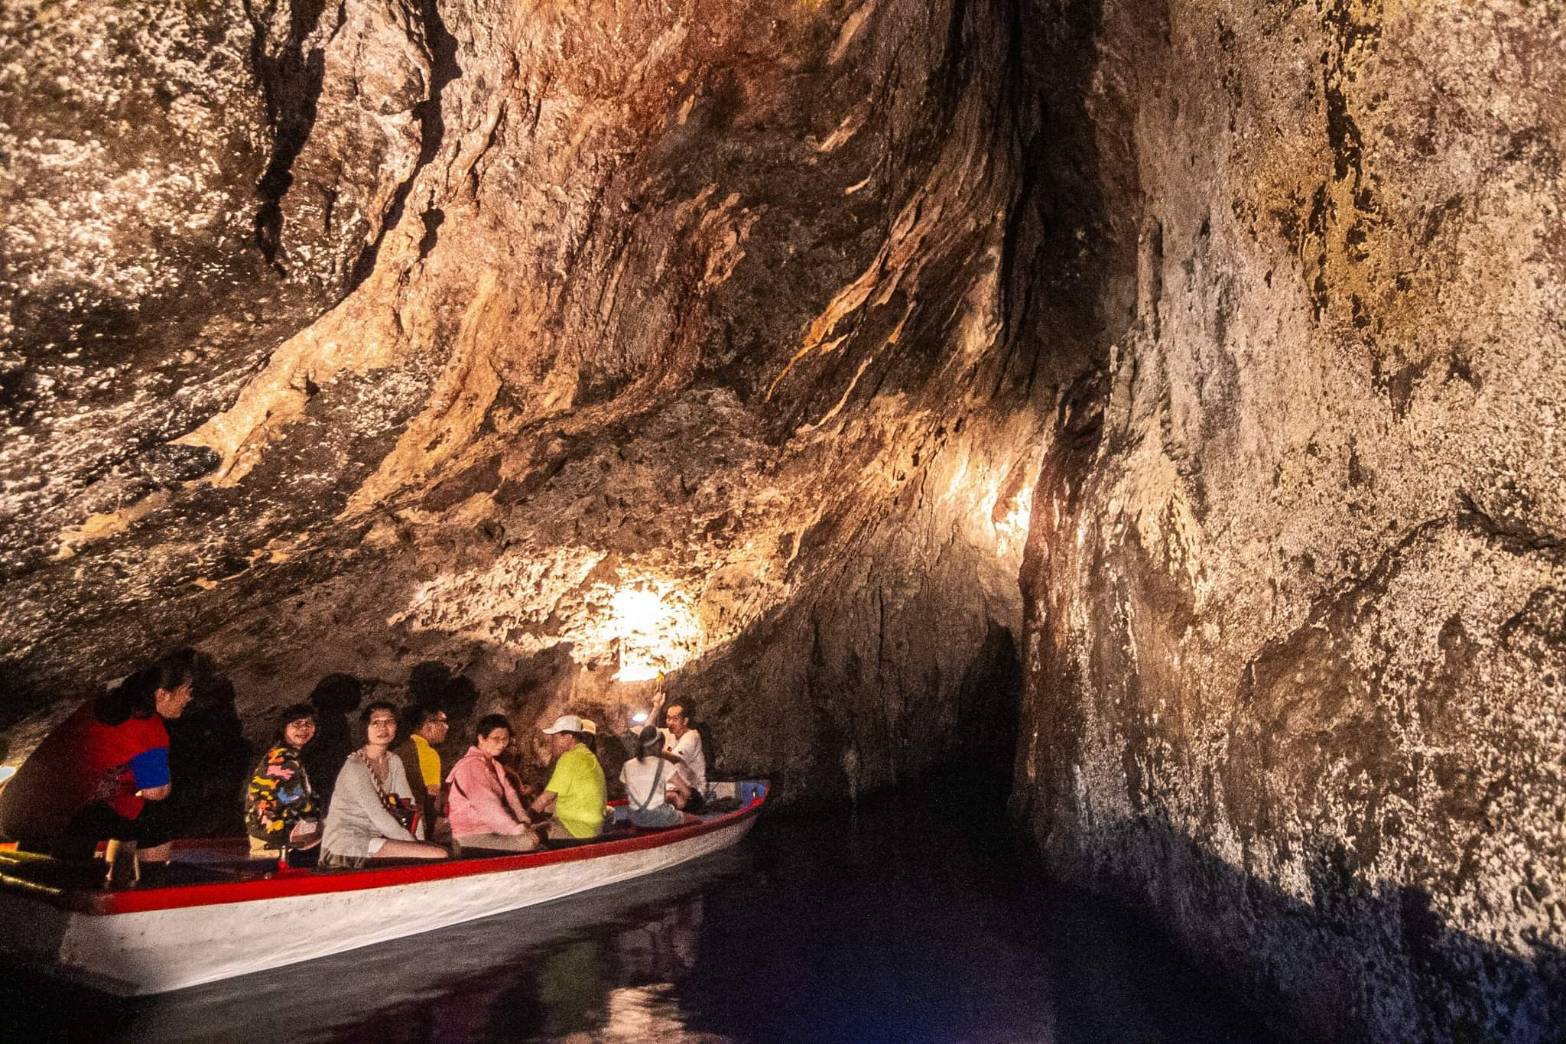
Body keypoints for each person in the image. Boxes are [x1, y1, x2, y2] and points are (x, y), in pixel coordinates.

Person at [0, 648, 204, 883]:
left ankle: (112, 877)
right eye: (185, 691)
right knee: (160, 812)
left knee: (119, 808)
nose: (189, 698)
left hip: (16, 810)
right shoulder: (148, 729)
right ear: (162, 694)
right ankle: (150, 885)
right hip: (63, 822)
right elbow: (155, 793)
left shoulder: (100, 706)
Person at [319, 702, 447, 867]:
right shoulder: (355, 765)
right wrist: (414, 844)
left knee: (439, 852)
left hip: (379, 837)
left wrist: (419, 839)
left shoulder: (394, 761)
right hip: (348, 842)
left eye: (389, 722)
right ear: (366, 728)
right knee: (436, 855)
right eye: (376, 723)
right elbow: (377, 814)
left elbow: (410, 806)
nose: (383, 728)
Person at [444, 715, 539, 853]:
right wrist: (515, 830)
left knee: (537, 833)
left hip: (491, 830)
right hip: (471, 837)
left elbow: (511, 796)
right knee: (528, 842)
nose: (501, 744)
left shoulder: (495, 765)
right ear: (481, 738)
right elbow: (487, 805)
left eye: (505, 739)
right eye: (496, 739)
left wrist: (524, 820)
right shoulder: (471, 766)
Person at [244, 703, 322, 857]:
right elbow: (295, 799)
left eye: (308, 724)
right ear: (284, 728)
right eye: (296, 724)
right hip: (274, 834)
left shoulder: (287, 754)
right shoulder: (282, 759)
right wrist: (323, 817)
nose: (303, 729)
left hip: (271, 831)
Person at [530, 715, 606, 840]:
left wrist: (526, 818)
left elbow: (546, 798)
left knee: (529, 836)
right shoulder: (587, 755)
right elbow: (556, 799)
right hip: (593, 827)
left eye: (554, 738)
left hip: (577, 828)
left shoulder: (569, 758)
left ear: (568, 738)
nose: (552, 743)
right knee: (541, 824)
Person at [620, 726, 699, 829]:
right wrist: (681, 801)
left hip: (635, 817)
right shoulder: (664, 764)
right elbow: (686, 792)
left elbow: (628, 793)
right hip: (658, 816)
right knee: (695, 820)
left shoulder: (627, 765)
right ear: (658, 745)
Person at [395, 705, 449, 833]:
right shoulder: (428, 754)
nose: (447, 727)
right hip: (415, 821)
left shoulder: (399, 750)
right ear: (428, 724)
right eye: (443, 722)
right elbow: (432, 799)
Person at [660, 699, 706, 813]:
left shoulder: (692, 736)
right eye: (668, 718)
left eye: (675, 719)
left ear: (685, 721)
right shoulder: (668, 733)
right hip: (671, 789)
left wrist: (654, 751)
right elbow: (646, 732)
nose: (670, 723)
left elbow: (674, 759)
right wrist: (656, 707)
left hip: (691, 792)